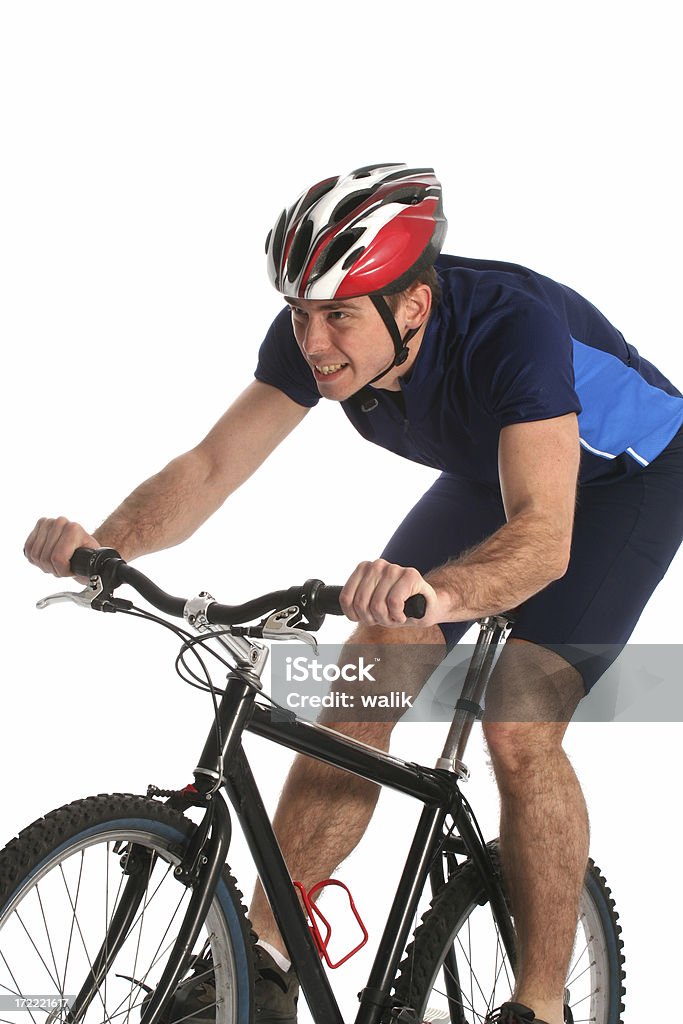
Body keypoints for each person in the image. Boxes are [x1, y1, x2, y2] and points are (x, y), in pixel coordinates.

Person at [24, 163, 683, 1024]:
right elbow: (212, 466)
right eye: (300, 313)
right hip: (494, 471)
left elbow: (542, 540)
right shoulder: (316, 337)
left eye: (336, 315)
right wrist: (106, 545)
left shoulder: (510, 330)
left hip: (620, 489)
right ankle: (262, 959)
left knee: (518, 722)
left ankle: (544, 1000)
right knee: (362, 683)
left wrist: (434, 592)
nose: (314, 341)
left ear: (411, 306)